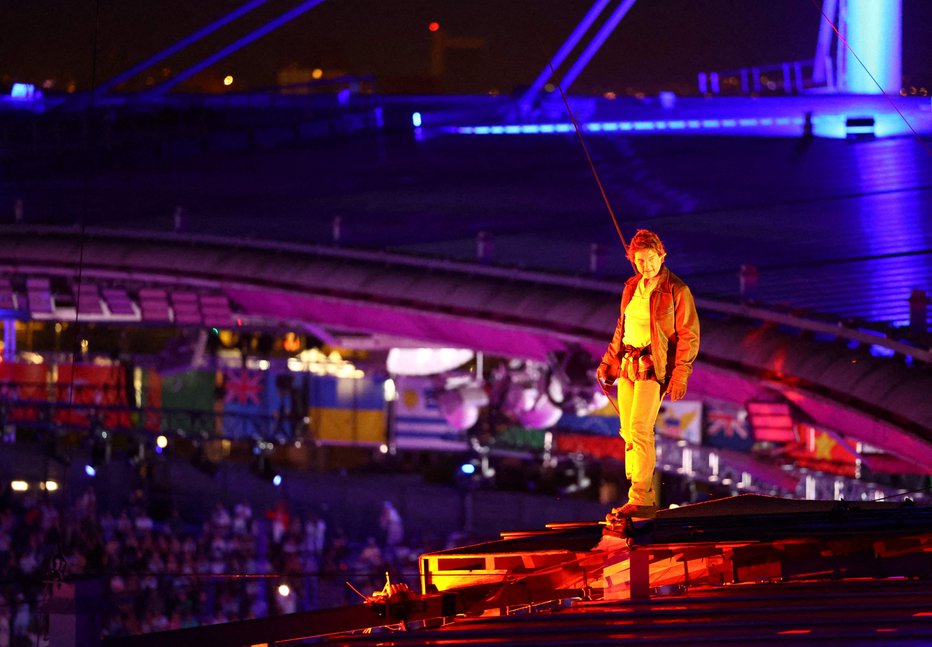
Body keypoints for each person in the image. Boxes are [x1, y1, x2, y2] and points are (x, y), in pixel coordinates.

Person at [596, 229, 699, 519]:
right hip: (628, 363)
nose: (646, 266)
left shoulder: (677, 290)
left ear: (661, 256)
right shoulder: (631, 286)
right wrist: (608, 362)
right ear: (633, 261)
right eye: (640, 261)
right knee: (627, 431)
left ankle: (641, 498)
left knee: (641, 430)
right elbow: (622, 326)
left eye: (651, 259)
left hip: (653, 365)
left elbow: (689, 336)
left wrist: (680, 376)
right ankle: (636, 489)